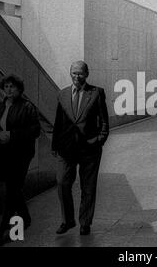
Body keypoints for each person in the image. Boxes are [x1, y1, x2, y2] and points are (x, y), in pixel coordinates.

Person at [52, 61, 109, 236]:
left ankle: (85, 222)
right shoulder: (62, 94)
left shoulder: (96, 93)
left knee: (88, 187)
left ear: (87, 74)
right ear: (70, 73)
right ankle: (68, 220)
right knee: (62, 183)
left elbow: (104, 121)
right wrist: (55, 145)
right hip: (66, 149)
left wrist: (99, 140)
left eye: (80, 73)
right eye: (74, 73)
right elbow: (58, 123)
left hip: (89, 149)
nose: (77, 77)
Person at [0, 74, 41, 241]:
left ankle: (3, 226)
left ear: (19, 89)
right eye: (6, 87)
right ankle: (25, 217)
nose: (9, 90)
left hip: (21, 154)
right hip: (3, 154)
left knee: (12, 189)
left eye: (12, 87)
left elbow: (35, 130)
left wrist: (12, 135)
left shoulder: (27, 107)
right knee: (14, 188)